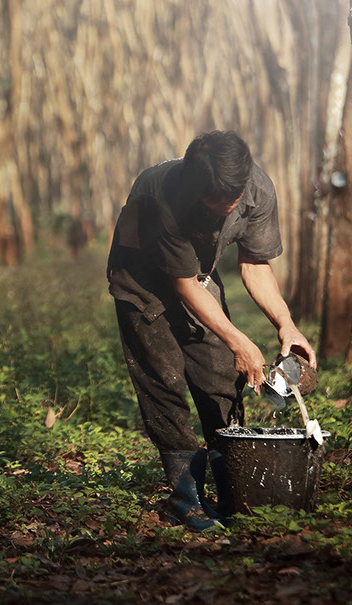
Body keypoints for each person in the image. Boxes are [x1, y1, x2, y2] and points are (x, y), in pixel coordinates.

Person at [107, 130, 316, 531]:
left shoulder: (257, 189)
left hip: (197, 274)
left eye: (233, 195)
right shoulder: (165, 196)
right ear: (195, 186)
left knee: (220, 375)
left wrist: (286, 324)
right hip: (141, 279)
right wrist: (239, 340)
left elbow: (253, 263)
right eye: (216, 199)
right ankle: (184, 499)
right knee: (164, 380)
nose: (228, 205)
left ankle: (232, 489)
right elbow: (182, 284)